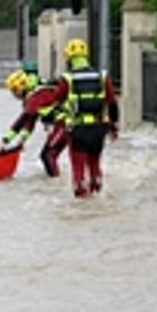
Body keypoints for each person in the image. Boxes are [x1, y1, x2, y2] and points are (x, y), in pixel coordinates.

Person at [41, 38, 119, 198]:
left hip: (77, 130)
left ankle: (81, 208)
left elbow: (56, 100)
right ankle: (98, 199)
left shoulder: (67, 79)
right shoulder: (102, 76)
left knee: (78, 170)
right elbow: (112, 103)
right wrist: (113, 125)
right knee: (95, 165)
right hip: (98, 128)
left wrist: (47, 118)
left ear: (69, 58)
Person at [3, 69, 69, 177]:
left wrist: (6, 139)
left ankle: (55, 181)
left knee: (48, 155)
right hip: (61, 124)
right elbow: (30, 123)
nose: (14, 94)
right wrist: (20, 141)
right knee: (47, 156)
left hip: (66, 123)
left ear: (22, 86)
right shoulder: (33, 96)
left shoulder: (35, 96)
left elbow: (25, 117)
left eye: (15, 90)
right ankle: (54, 181)